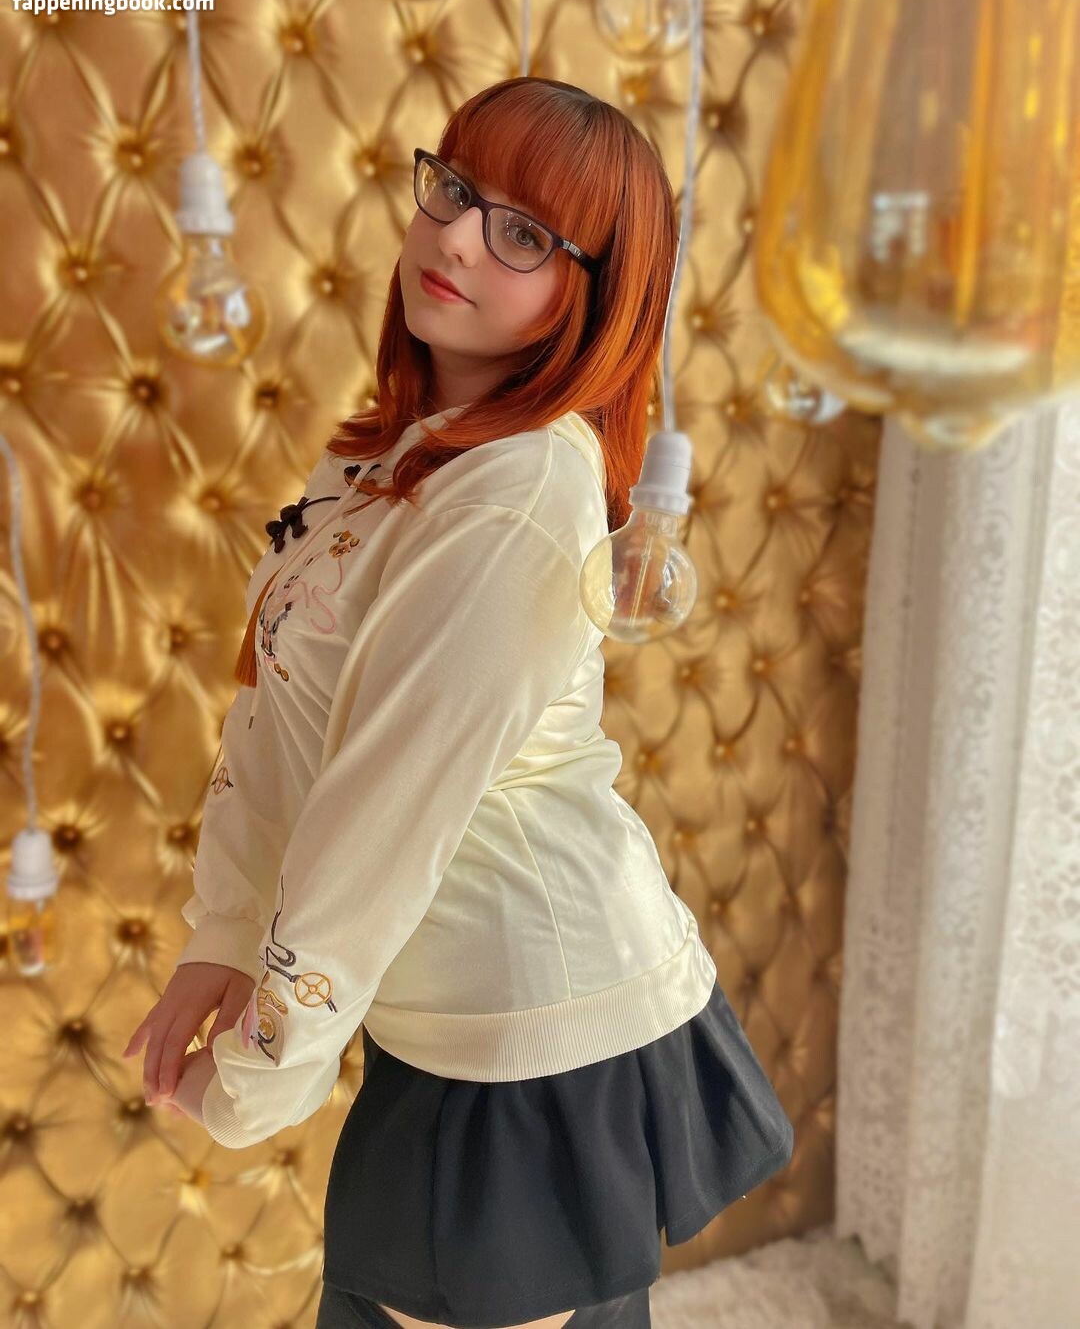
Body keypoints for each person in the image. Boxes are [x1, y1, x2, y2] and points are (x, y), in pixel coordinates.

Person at [123, 77, 795, 1329]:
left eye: (524, 233)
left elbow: (385, 811)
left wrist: (267, 1059)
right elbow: (279, 719)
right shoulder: (388, 449)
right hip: (445, 1011)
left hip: (529, 1026)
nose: (458, 237)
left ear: (591, 292)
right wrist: (222, 935)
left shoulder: (522, 492)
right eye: (456, 190)